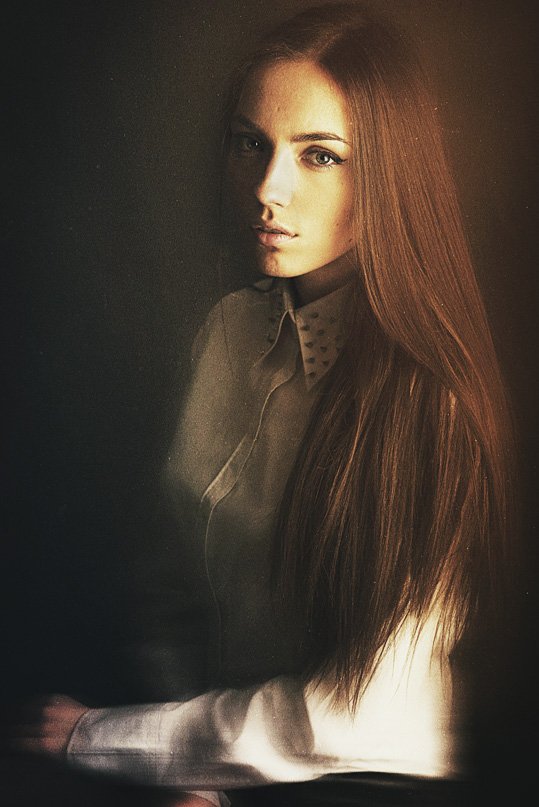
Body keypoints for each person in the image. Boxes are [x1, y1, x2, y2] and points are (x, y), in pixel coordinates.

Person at [8, 3, 515, 805]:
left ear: (389, 173)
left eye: (320, 155)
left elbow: (350, 715)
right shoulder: (229, 333)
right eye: (251, 144)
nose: (267, 189)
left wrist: (105, 738)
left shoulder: (427, 402)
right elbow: (170, 588)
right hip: (215, 763)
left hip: (362, 780)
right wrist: (190, 772)